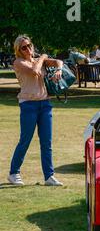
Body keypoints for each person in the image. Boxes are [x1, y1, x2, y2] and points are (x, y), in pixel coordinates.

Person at [8, 35, 63, 186]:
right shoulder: (18, 62)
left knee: (47, 142)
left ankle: (49, 176)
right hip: (28, 105)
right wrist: (43, 57)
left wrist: (58, 69)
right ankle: (14, 173)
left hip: (45, 104)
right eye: (23, 47)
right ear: (18, 50)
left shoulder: (37, 60)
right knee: (25, 140)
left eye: (29, 45)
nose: (27, 49)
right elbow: (34, 71)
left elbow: (59, 61)